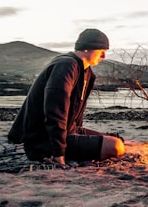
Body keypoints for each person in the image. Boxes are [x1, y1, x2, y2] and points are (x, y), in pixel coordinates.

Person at [8, 28, 125, 167]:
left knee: (117, 140)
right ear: (86, 48)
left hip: (68, 132)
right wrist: (59, 153)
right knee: (115, 146)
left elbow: (74, 120)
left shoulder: (86, 72)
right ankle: (55, 151)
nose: (104, 56)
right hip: (43, 141)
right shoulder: (66, 65)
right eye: (101, 50)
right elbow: (55, 111)